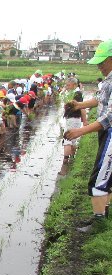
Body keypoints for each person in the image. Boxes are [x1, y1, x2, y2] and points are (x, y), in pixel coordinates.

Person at [64, 40, 112, 231]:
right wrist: (79, 105)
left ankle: (99, 222)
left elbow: (110, 116)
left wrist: (81, 130)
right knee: (107, 176)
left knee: (99, 177)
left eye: (102, 61)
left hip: (110, 133)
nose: (99, 65)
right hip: (106, 132)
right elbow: (101, 101)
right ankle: (103, 214)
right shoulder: (108, 79)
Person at [61, 77, 88, 175]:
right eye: (66, 85)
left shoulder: (77, 94)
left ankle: (65, 161)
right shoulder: (72, 93)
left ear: (74, 85)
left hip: (73, 119)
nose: (67, 87)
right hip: (71, 119)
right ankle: (72, 157)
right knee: (72, 139)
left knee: (67, 139)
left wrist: (85, 121)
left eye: (68, 85)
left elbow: (82, 107)